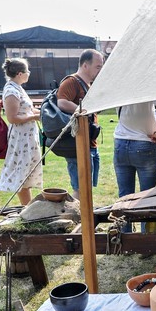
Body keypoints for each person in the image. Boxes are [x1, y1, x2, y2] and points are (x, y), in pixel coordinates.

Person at [114, 100, 156, 231]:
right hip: (145, 143)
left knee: (124, 196)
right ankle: (145, 236)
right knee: (147, 197)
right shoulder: (150, 87)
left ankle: (125, 237)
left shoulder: (120, 87)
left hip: (121, 143)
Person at [53, 49, 105, 199]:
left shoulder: (86, 84)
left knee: (86, 188)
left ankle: (83, 218)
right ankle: (76, 219)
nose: (100, 70)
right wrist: (84, 110)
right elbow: (62, 102)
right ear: (85, 65)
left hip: (90, 144)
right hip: (77, 145)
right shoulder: (71, 81)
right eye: (98, 66)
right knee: (80, 189)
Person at [0, 58, 42, 205]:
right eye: (27, 71)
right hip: (20, 138)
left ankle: (28, 207)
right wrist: (35, 116)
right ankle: (26, 208)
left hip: (28, 136)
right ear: (20, 73)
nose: (29, 74)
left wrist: (42, 112)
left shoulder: (18, 88)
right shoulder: (11, 91)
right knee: (22, 171)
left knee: (27, 170)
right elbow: (13, 117)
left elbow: (26, 109)